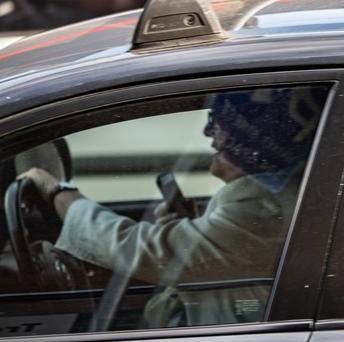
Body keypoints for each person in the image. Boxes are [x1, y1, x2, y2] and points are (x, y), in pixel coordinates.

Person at [19, 86, 326, 327]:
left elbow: (138, 249)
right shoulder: (281, 193)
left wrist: (58, 193)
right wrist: (192, 229)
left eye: (220, 123)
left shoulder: (264, 205)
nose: (209, 133)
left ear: (251, 137)